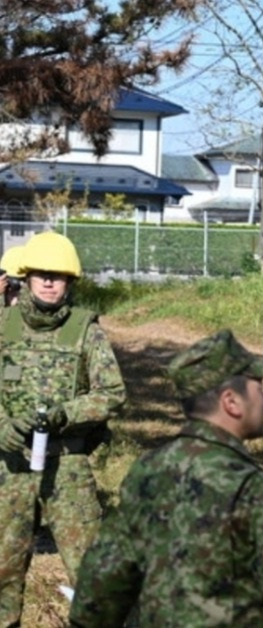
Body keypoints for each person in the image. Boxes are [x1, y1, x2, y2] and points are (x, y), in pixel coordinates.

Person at [69, 329, 263, 626]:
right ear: (231, 402)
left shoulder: (146, 473)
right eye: (257, 387)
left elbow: (98, 591)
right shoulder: (258, 490)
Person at [0, 231, 126, 626]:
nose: (50, 283)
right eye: (42, 275)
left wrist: (64, 414)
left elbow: (112, 393)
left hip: (68, 467)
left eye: (58, 276)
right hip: (10, 468)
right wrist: (3, 425)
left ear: (70, 282)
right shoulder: (3, 326)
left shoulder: (86, 329)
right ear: (27, 278)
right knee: (3, 572)